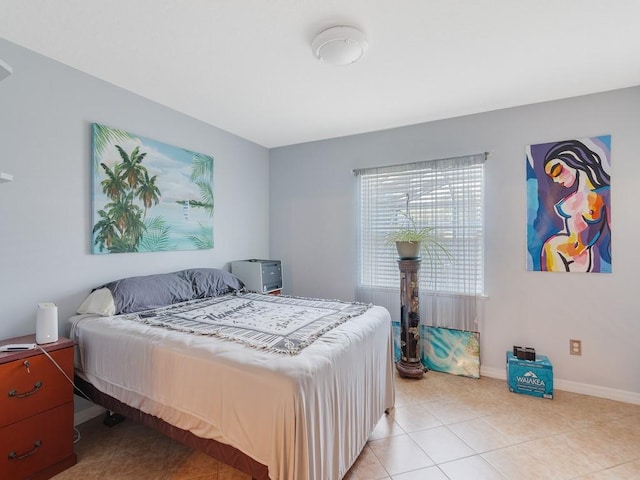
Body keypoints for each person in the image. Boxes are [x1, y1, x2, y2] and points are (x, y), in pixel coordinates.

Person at [541, 140, 611, 272]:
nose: (556, 180)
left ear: (573, 159)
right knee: (550, 247)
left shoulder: (604, 194)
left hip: (586, 254)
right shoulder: (571, 198)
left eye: (557, 171)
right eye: (551, 177)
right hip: (565, 250)